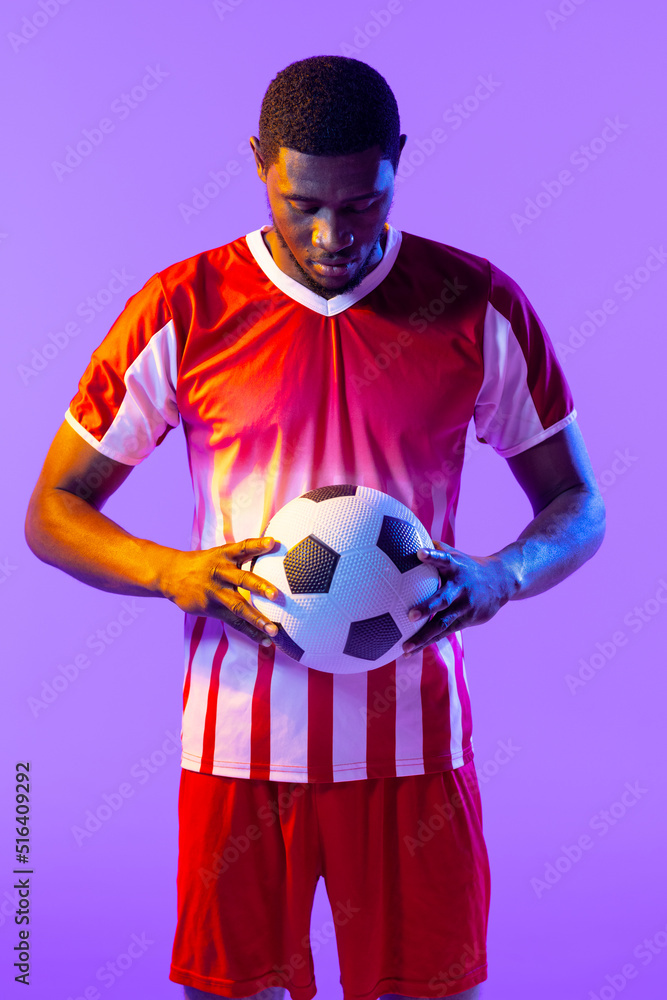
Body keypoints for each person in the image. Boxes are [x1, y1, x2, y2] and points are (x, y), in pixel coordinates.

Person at [25, 55, 605, 1000]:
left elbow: (580, 505)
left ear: (397, 165)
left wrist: (504, 573)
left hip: (415, 744)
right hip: (237, 752)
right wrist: (170, 571)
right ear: (258, 163)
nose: (333, 234)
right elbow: (52, 511)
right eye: (303, 204)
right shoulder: (184, 309)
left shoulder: (472, 303)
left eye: (362, 203)